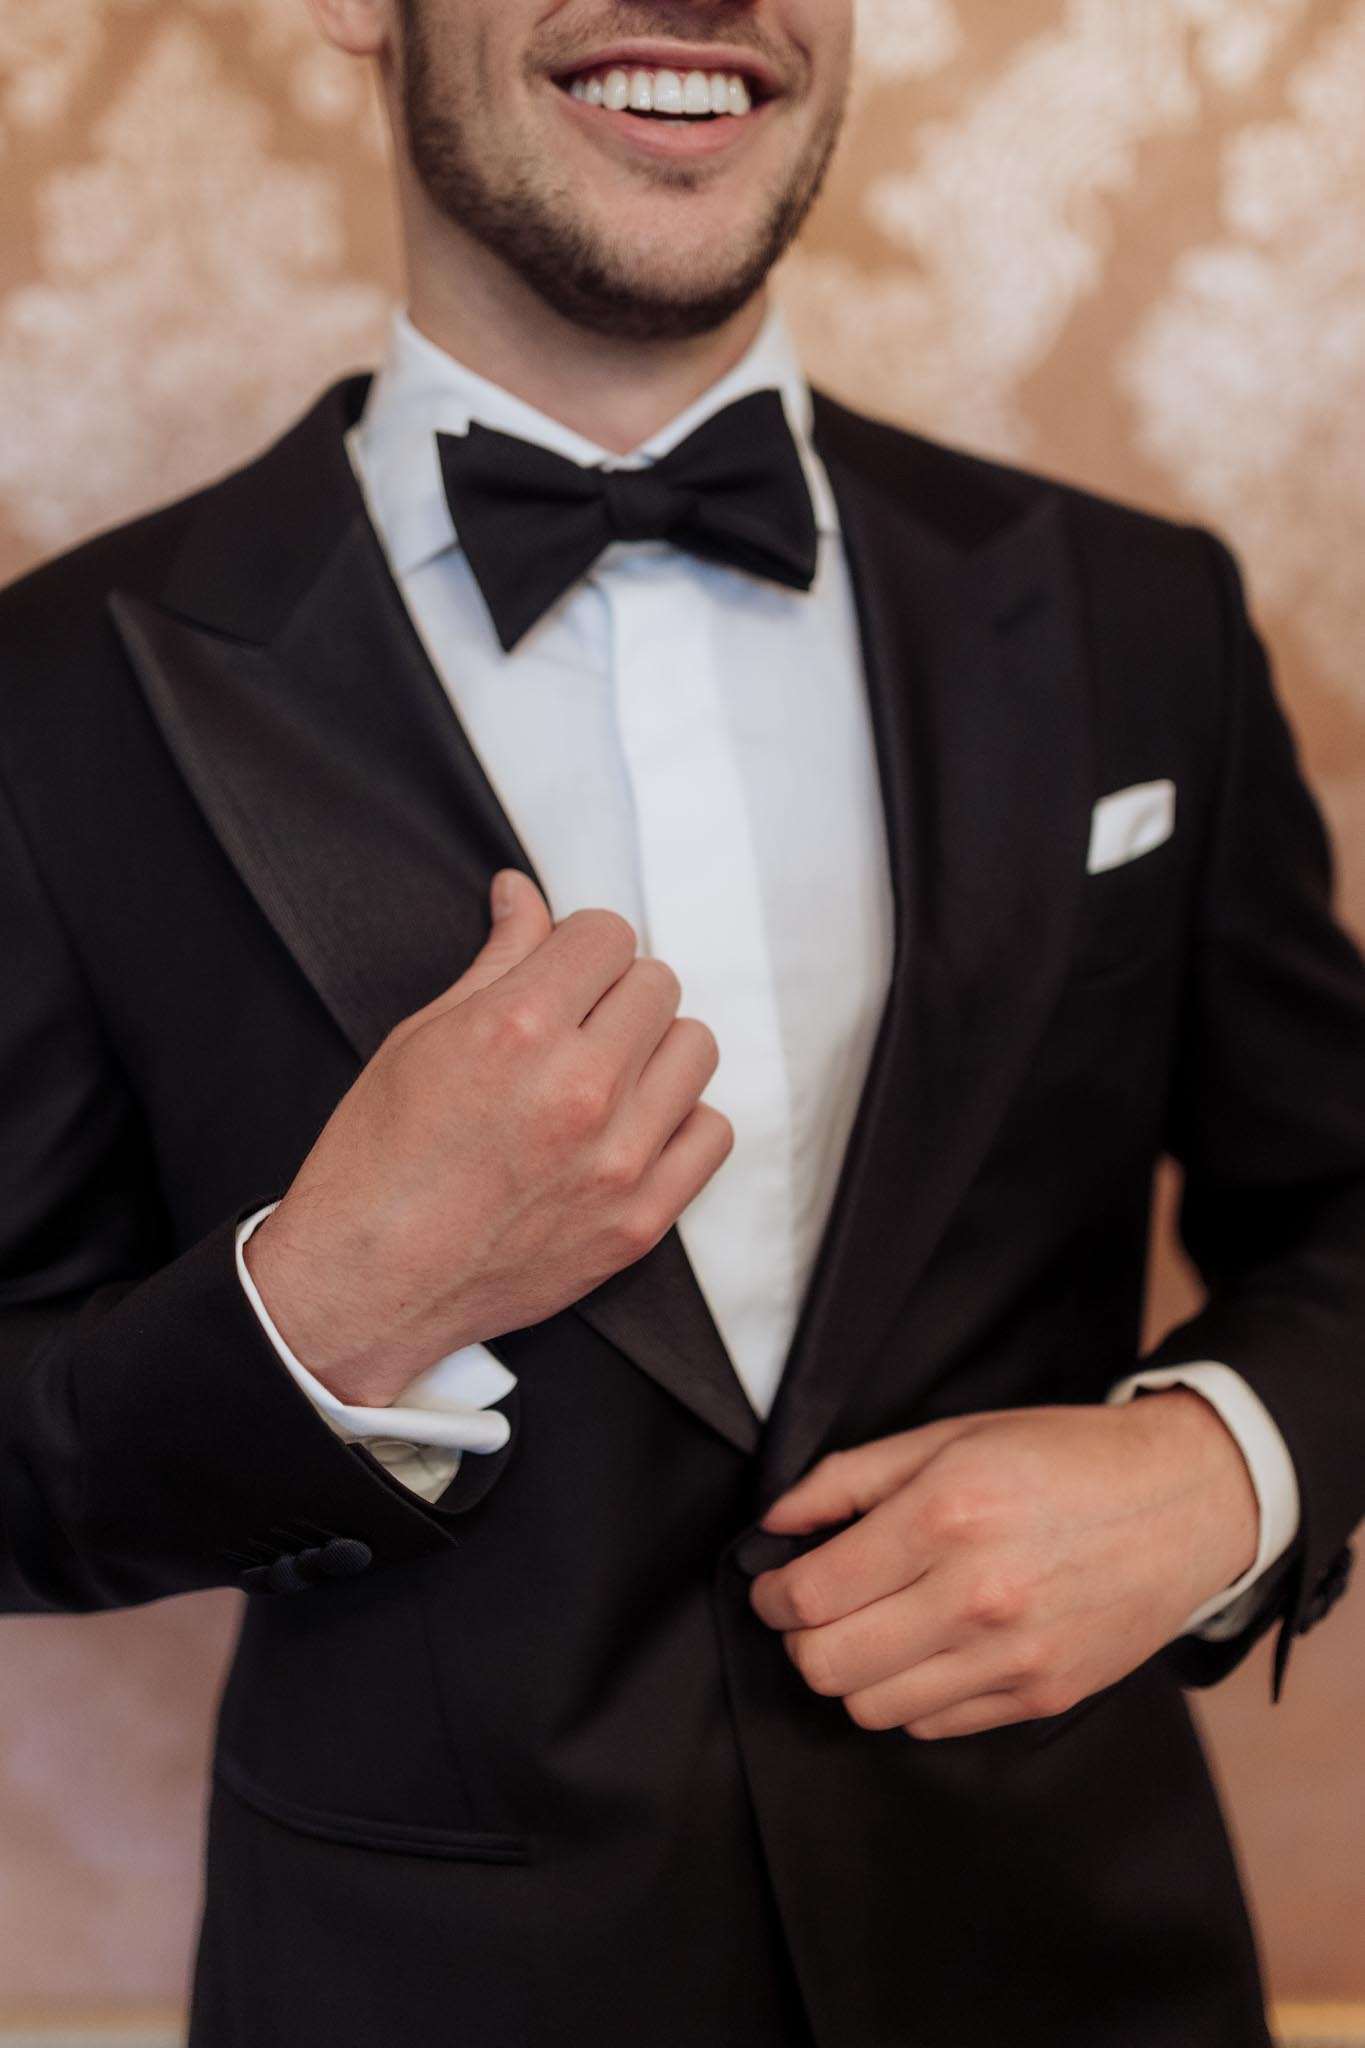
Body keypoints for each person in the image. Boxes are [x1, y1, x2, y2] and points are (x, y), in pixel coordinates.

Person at [0, 1, 1361, 2041]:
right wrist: (322, 1308)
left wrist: (1215, 1472)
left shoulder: (1134, 610)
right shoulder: (57, 695)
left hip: (1071, 1965)